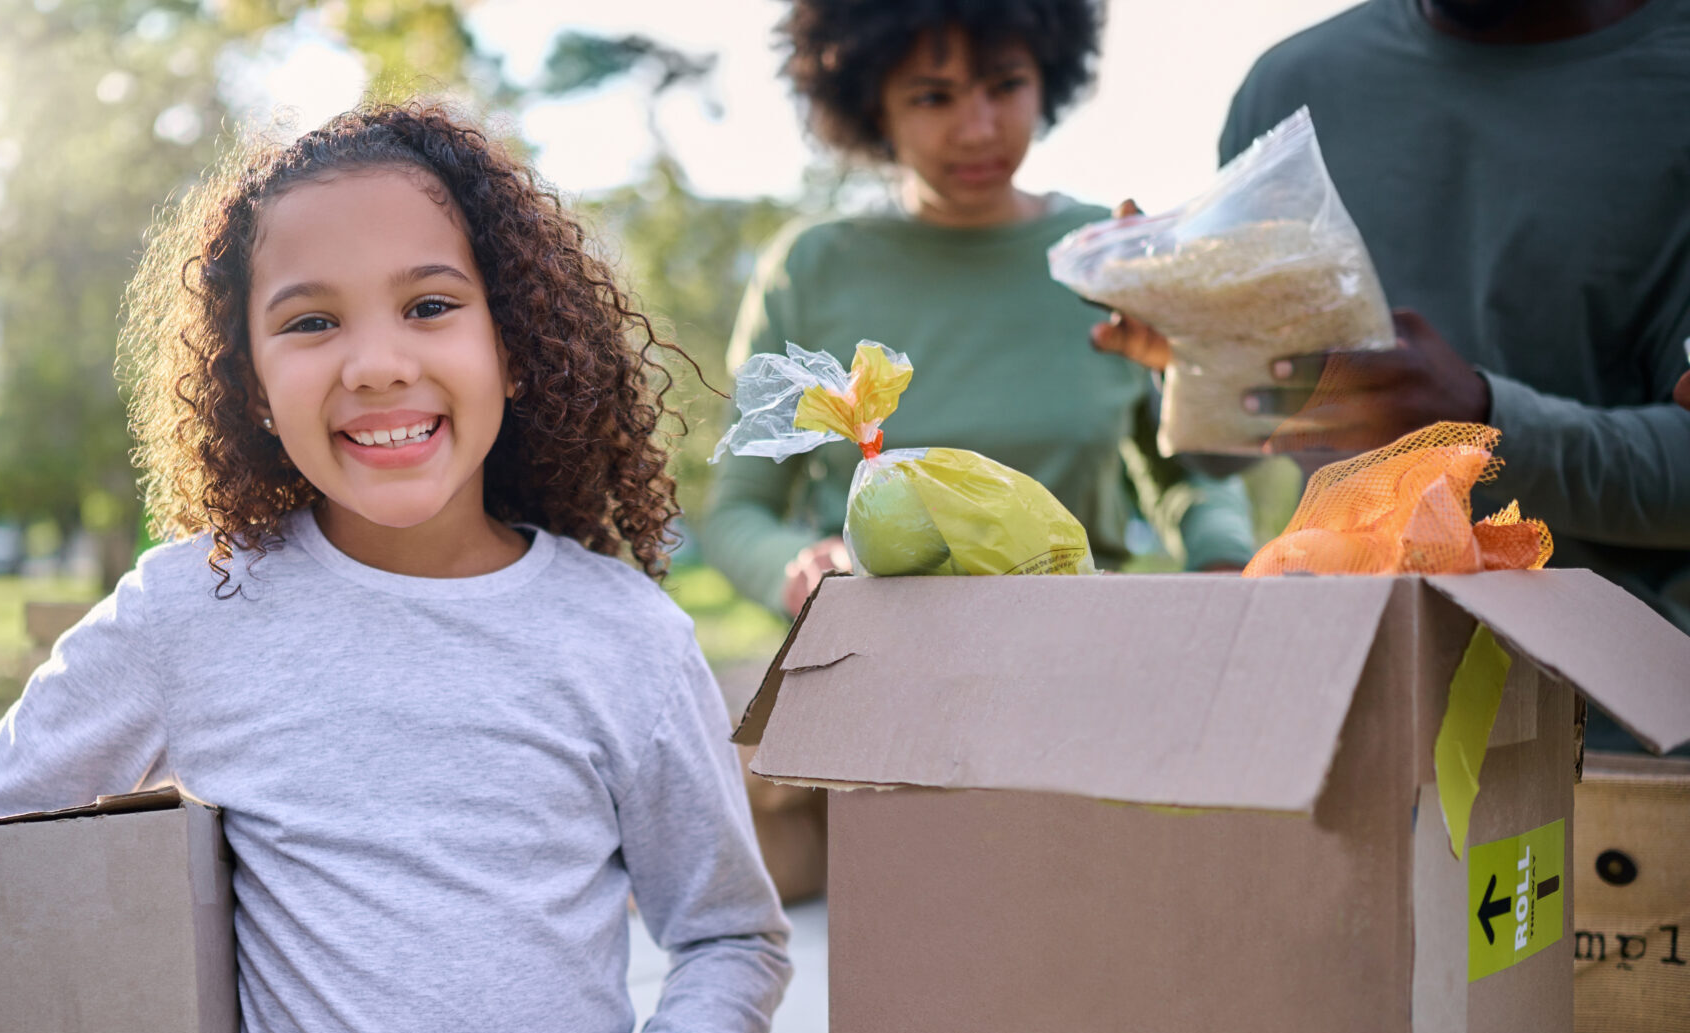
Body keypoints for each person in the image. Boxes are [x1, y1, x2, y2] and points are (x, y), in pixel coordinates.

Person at [0, 104, 791, 1032]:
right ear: (253, 390)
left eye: (430, 306)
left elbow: (730, 937)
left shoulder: (627, 636)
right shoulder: (194, 605)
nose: (376, 365)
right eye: (312, 321)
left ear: (513, 346)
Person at [1093, 0, 1690, 749]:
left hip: (1615, 756)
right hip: (1326, 735)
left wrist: (1482, 419)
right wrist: (1200, 358)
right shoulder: (1291, 85)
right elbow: (1221, 448)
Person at [703, 0, 1260, 623]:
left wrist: (1222, 559)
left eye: (1006, 86)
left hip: (1083, 641)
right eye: (932, 98)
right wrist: (800, 569)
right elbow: (738, 510)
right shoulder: (810, 268)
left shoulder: (1108, 256)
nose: (978, 128)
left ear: (1049, 77)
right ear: (871, 104)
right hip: (876, 653)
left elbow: (1194, 473)